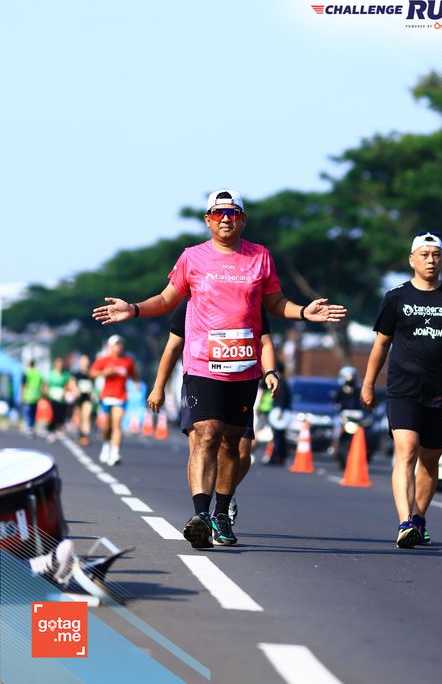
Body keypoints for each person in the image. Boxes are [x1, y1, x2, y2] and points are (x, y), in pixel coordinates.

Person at [93, 189, 347, 549]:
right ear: (207, 220)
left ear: (243, 220)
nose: (225, 219)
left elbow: (275, 303)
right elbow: (165, 299)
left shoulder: (260, 257)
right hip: (202, 364)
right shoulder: (192, 257)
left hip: (243, 368)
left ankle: (222, 513)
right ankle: (200, 515)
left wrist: (305, 311)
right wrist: (133, 309)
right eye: (218, 213)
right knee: (207, 434)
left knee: (232, 444)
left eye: (232, 213)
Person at [360, 231, 442, 549]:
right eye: (424, 255)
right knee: (407, 451)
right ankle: (405, 523)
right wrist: (368, 383)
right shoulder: (396, 297)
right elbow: (381, 344)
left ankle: (419, 518)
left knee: (429, 459)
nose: (430, 260)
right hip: (403, 390)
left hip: (439, 393)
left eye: (436, 255)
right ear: (412, 260)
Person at [147, 296, 280, 528]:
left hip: (241, 381)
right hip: (200, 379)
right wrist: (159, 387)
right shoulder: (190, 303)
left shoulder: (250, 300)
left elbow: (265, 341)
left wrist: (270, 371)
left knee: (240, 450)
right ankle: (203, 515)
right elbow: (172, 346)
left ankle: (224, 496)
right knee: (203, 442)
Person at [89, 335, 138, 466]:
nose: (119, 346)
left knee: (117, 424)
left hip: (121, 396)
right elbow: (92, 373)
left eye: (120, 344)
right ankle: (106, 446)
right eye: (116, 344)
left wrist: (137, 383)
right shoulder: (103, 359)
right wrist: (104, 373)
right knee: (106, 426)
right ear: (110, 346)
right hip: (106, 396)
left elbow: (134, 375)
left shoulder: (128, 360)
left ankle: (115, 453)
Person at [45, 357, 71, 440]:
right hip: (53, 397)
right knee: (53, 413)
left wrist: (64, 393)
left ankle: (59, 428)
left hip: (61, 398)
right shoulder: (51, 374)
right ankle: (51, 429)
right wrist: (47, 394)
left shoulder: (65, 374)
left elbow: (67, 384)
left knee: (61, 414)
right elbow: (47, 385)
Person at [73, 354, 94, 445]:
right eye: (83, 361)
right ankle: (79, 434)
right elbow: (72, 383)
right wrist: (75, 390)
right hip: (79, 398)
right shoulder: (77, 374)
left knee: (86, 416)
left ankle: (85, 435)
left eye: (86, 361)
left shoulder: (91, 374)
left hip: (87, 399)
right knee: (79, 417)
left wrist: (93, 392)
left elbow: (94, 385)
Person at [21, 360, 44, 437]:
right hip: (36, 395)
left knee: (27, 412)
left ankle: (29, 427)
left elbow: (24, 385)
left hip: (28, 395)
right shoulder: (38, 373)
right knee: (33, 413)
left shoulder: (27, 373)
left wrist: (21, 395)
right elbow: (42, 384)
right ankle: (32, 426)